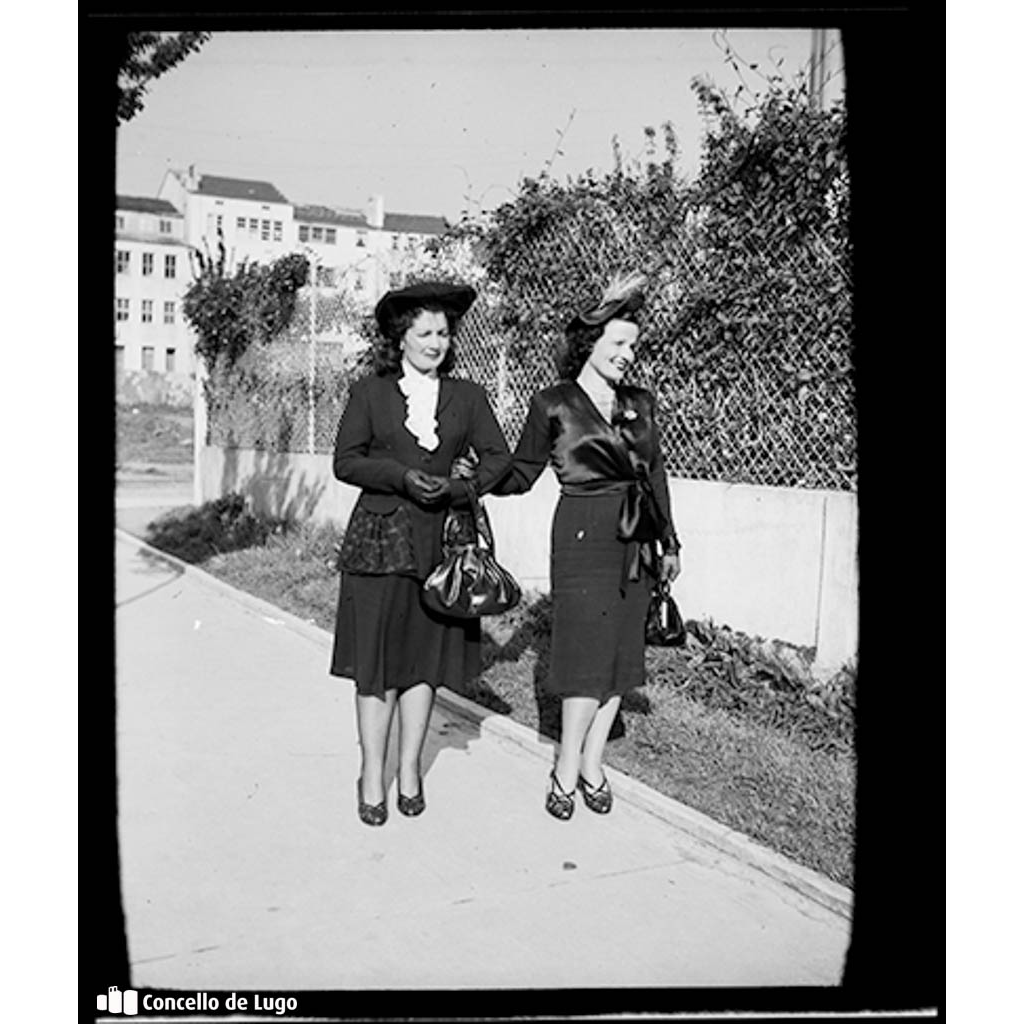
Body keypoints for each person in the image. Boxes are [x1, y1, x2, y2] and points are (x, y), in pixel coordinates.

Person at [494, 271, 682, 820]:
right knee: (583, 655)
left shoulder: (640, 403)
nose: (627, 355)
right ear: (590, 342)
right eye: (618, 343)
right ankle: (566, 767)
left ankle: (594, 764)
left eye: (633, 346)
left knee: (622, 655)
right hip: (581, 533)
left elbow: (657, 476)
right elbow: (523, 471)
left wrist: (668, 541)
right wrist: (472, 480)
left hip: (637, 537)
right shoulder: (553, 403)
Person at [329, 281, 511, 826]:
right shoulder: (370, 392)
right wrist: (401, 476)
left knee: (422, 663)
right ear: (400, 337)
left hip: (440, 546)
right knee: (376, 666)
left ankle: (409, 770)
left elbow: (498, 458)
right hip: (379, 543)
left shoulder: (468, 397)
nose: (437, 342)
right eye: (426, 332)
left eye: (444, 332)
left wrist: (459, 489)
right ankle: (371, 774)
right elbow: (346, 461)